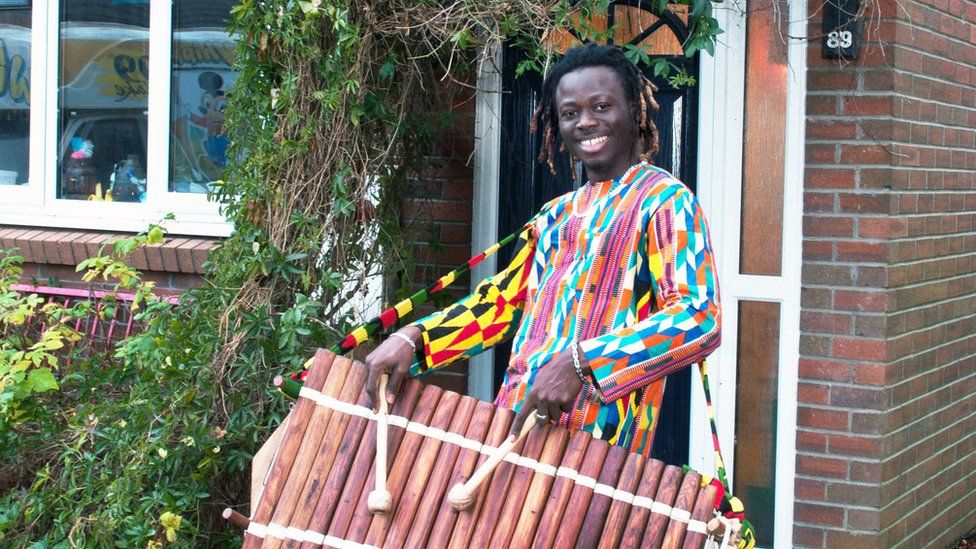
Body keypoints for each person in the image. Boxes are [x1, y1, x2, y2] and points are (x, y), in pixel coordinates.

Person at [364, 42, 721, 457]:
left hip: (597, 451)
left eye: (602, 107)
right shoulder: (555, 215)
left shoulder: (665, 202)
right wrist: (414, 340)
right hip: (514, 431)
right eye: (570, 113)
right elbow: (499, 306)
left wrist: (581, 363)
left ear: (634, 113)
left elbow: (699, 320)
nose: (586, 122)